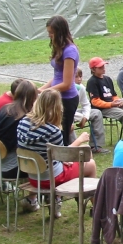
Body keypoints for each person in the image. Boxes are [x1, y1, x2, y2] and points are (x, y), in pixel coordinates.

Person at [16, 89, 97, 217]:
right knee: (90, 163)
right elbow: (63, 154)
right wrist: (80, 139)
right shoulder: (52, 131)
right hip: (51, 178)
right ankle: (95, 206)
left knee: (80, 154)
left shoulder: (23, 122)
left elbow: (55, 154)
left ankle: (54, 199)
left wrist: (62, 159)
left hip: (33, 176)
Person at [0, 80, 38, 194]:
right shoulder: (24, 118)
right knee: (43, 162)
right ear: (33, 97)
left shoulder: (5, 108)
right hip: (9, 168)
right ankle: (33, 198)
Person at [38, 15, 79, 146]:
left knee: (62, 135)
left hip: (66, 99)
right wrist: (41, 89)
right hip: (56, 97)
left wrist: (46, 93)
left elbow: (66, 84)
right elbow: (57, 77)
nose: (49, 35)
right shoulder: (60, 48)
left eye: (51, 32)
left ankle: (64, 157)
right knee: (53, 133)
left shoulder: (70, 51)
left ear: (60, 32)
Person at [86, 57, 123, 141]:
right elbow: (95, 101)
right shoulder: (92, 82)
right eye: (100, 67)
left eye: (103, 66)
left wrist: (119, 101)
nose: (103, 68)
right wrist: (111, 104)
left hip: (113, 105)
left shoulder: (107, 79)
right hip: (102, 109)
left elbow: (113, 95)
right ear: (93, 69)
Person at [71, 68, 107, 153]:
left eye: (80, 76)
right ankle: (73, 147)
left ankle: (96, 146)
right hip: (67, 114)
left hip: (76, 112)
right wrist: (81, 117)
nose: (79, 79)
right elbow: (65, 110)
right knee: (68, 119)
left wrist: (85, 117)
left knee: (96, 113)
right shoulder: (66, 89)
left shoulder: (81, 88)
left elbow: (86, 104)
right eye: (76, 77)